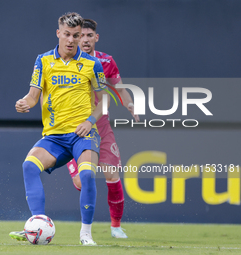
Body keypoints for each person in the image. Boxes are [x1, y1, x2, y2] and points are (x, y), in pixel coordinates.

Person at [11, 13, 108, 246]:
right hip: (54, 137)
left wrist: (90, 122)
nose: (71, 40)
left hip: (82, 135)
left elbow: (104, 102)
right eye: (67, 34)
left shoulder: (92, 64)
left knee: (86, 175)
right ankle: (37, 224)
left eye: (76, 35)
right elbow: (33, 96)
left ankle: (86, 234)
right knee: (29, 166)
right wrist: (24, 102)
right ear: (58, 33)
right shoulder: (43, 61)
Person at [66, 19, 139, 239]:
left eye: (90, 36)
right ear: (75, 37)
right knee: (81, 180)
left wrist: (130, 105)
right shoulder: (65, 61)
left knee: (111, 172)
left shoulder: (106, 61)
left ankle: (116, 226)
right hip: (73, 127)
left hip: (101, 125)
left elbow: (120, 88)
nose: (85, 40)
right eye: (81, 36)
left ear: (96, 38)